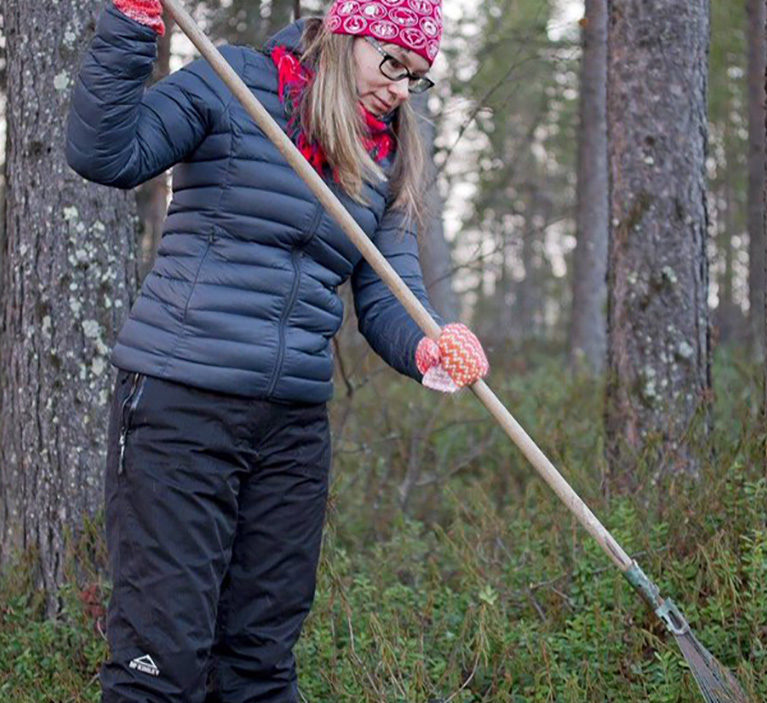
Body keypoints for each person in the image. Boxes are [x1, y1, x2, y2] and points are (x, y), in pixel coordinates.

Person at [65, 0, 489, 700]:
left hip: (290, 427)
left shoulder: (387, 151)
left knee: (259, 664)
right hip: (182, 401)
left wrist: (431, 343)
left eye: (417, 76)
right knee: (160, 660)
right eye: (392, 64)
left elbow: (388, 291)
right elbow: (106, 153)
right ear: (346, 35)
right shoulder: (235, 81)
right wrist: (131, 29)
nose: (401, 89)